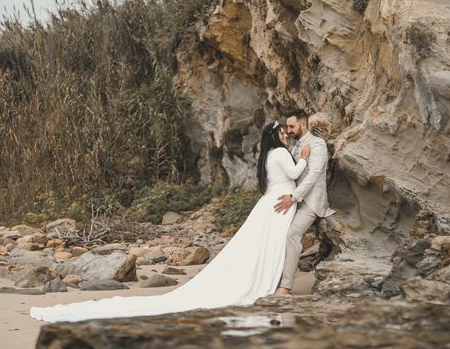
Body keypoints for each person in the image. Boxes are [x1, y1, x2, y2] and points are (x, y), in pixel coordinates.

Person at [30, 121, 310, 322]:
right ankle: (273, 282)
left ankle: (273, 280)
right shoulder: (282, 153)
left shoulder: (268, 156)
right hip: (279, 204)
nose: (287, 135)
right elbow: (297, 172)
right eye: (283, 132)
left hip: (272, 203)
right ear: (276, 136)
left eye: (288, 131)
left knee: (263, 247)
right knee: (270, 246)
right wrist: (306, 157)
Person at [273, 109, 335, 296]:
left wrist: (293, 198)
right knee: (275, 232)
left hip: (311, 201)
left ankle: (286, 286)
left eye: (291, 126)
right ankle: (271, 280)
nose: (289, 130)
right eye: (287, 127)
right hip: (295, 200)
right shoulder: (294, 147)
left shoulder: (318, 144)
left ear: (303, 124)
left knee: (292, 235)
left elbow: (314, 175)